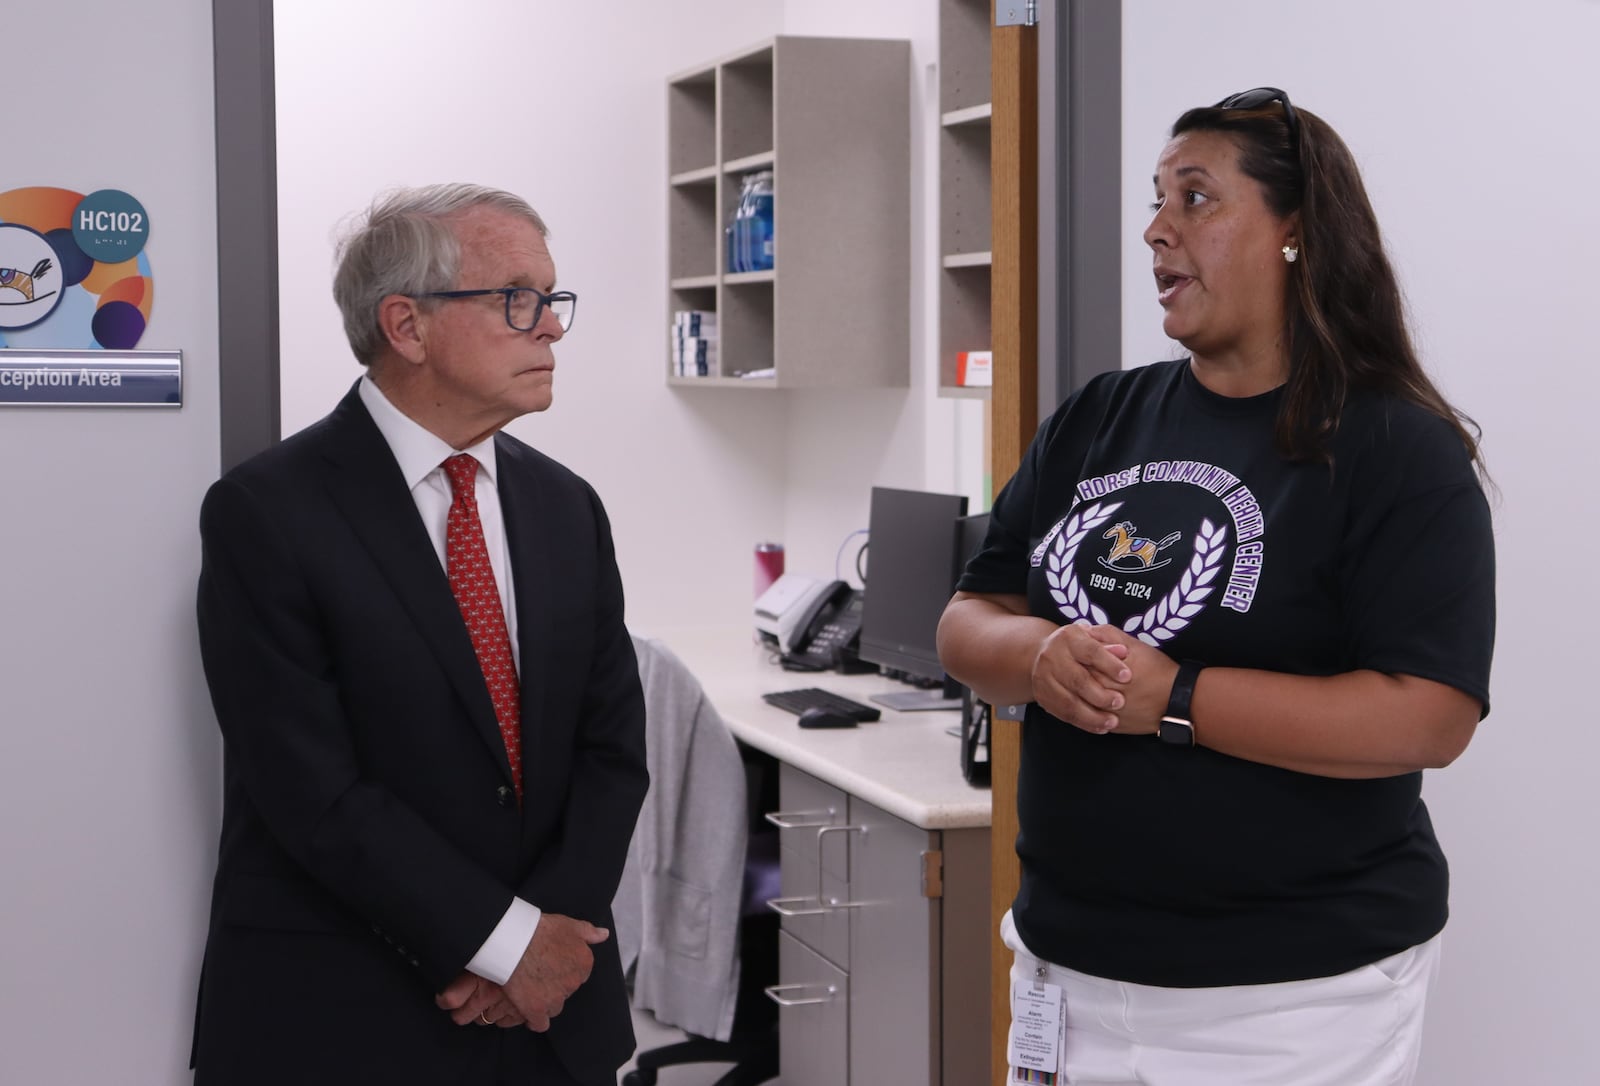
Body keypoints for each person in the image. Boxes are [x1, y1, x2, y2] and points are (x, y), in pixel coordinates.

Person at [938, 89, 1494, 1085]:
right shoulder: (1099, 416)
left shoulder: (1393, 449)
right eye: (1155, 201)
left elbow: (1426, 718)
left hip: (1288, 1004)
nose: (1157, 230)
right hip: (1068, 974)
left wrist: (1174, 699)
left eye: (1194, 198)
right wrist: (1038, 655)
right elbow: (968, 616)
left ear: (1295, 232)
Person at [190, 184, 649, 1085]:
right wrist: (502, 943)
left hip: (551, 1016)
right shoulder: (266, 513)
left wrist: (542, 947)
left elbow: (612, 749)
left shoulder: (566, 506)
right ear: (407, 326)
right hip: (345, 1013)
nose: (551, 327)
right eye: (519, 299)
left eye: (554, 301)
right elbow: (311, 790)